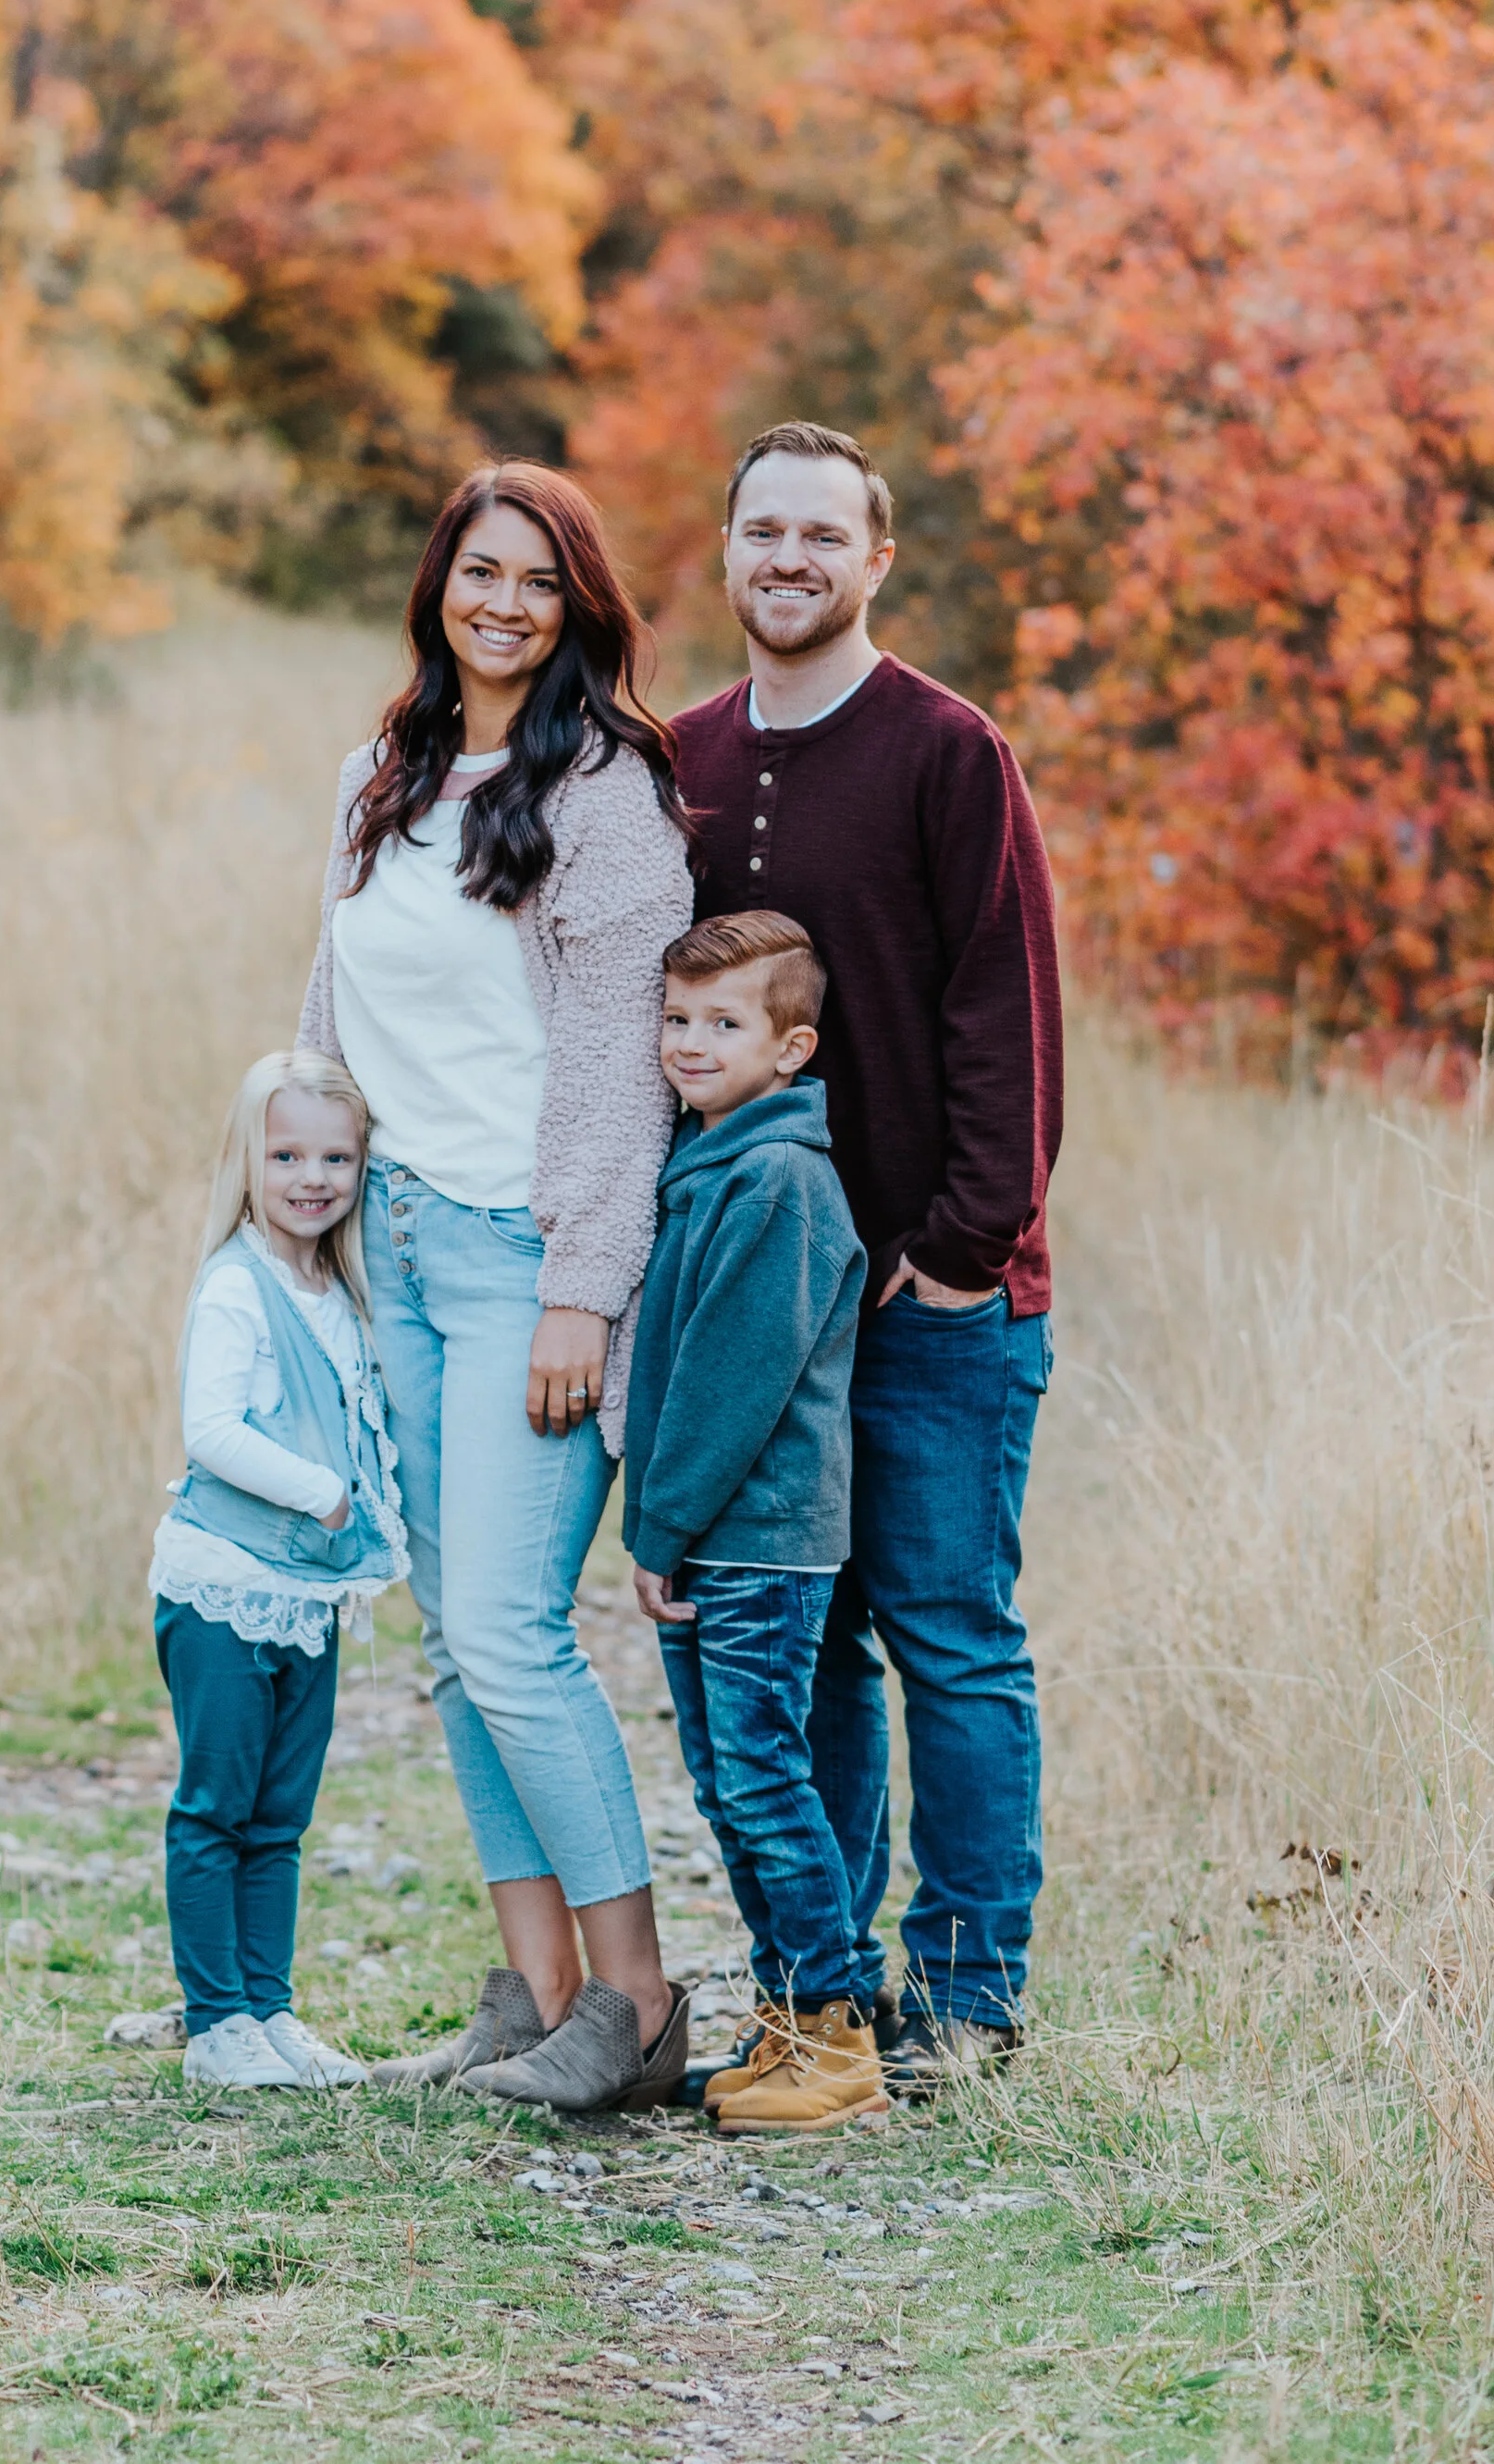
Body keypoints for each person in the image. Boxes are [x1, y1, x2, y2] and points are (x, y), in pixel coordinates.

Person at [298, 461, 696, 2116]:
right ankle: (534, 1992)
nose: (508, 604)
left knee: (513, 1632)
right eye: (483, 573)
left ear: (579, 605)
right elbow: (334, 998)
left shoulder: (604, 797)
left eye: (541, 579)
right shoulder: (382, 774)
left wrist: (582, 1293)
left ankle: (644, 1999)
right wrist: (301, 1234)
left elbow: (621, 1071)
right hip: (389, 1242)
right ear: (438, 589)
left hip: (528, 1257)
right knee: (456, 1649)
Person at [670, 422, 1064, 2089]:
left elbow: (1008, 1009)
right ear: (731, 550)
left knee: (948, 1631)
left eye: (825, 535)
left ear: (875, 560)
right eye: (765, 530)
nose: (791, 559)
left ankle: (967, 1999)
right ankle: (818, 1990)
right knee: (807, 1644)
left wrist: (970, 1246)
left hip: (929, 1292)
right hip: (775, 1303)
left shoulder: (948, 752)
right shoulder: (679, 757)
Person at [624, 911, 877, 2136]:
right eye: (676, 1018)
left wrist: (657, 1526)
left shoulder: (777, 1179)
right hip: (716, 1531)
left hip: (758, 1535)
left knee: (766, 1779)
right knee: (730, 1783)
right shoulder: (711, 1157)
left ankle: (836, 2027)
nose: (688, 1041)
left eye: (722, 1023)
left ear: (792, 1048)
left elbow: (734, 1376)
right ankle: (787, 2011)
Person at [151, 1046, 408, 2091]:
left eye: (337, 1156)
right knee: (216, 1803)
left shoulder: (332, 1290)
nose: (313, 1176)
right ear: (246, 1159)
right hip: (223, 1583)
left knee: (281, 1811)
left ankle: (270, 2006)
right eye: (287, 1151)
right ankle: (216, 2022)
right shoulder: (237, 1289)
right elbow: (210, 1428)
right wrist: (321, 1490)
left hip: (307, 1594)